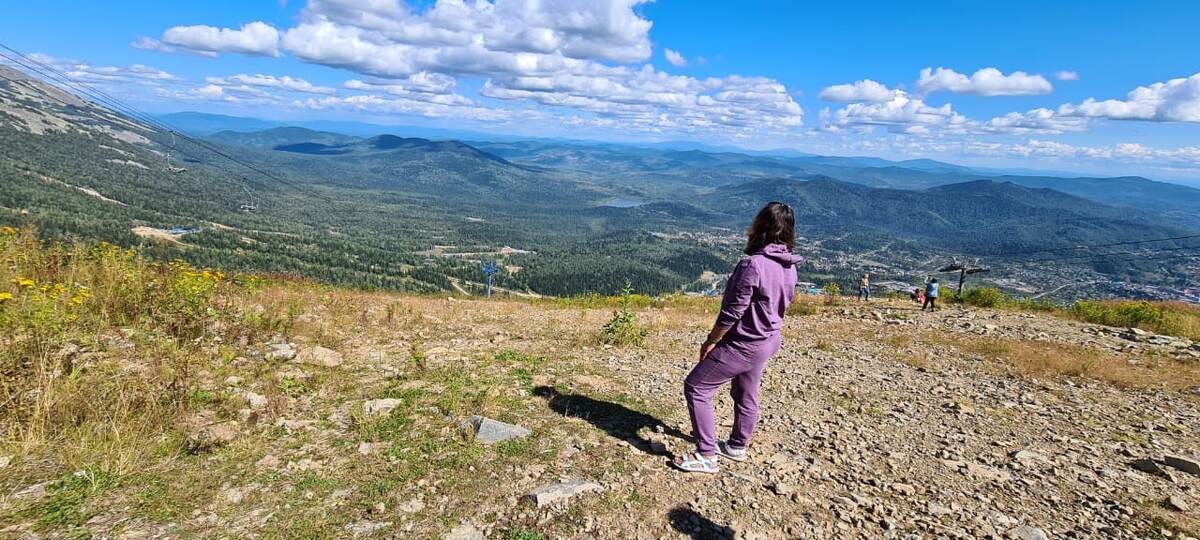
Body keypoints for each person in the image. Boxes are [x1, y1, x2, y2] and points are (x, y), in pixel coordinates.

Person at [673, 202, 803, 474]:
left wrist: (711, 340)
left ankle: (706, 454)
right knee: (746, 390)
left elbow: (732, 312)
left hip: (744, 343)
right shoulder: (790, 266)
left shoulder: (752, 265)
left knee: (697, 388)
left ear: (760, 226)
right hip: (768, 340)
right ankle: (737, 445)